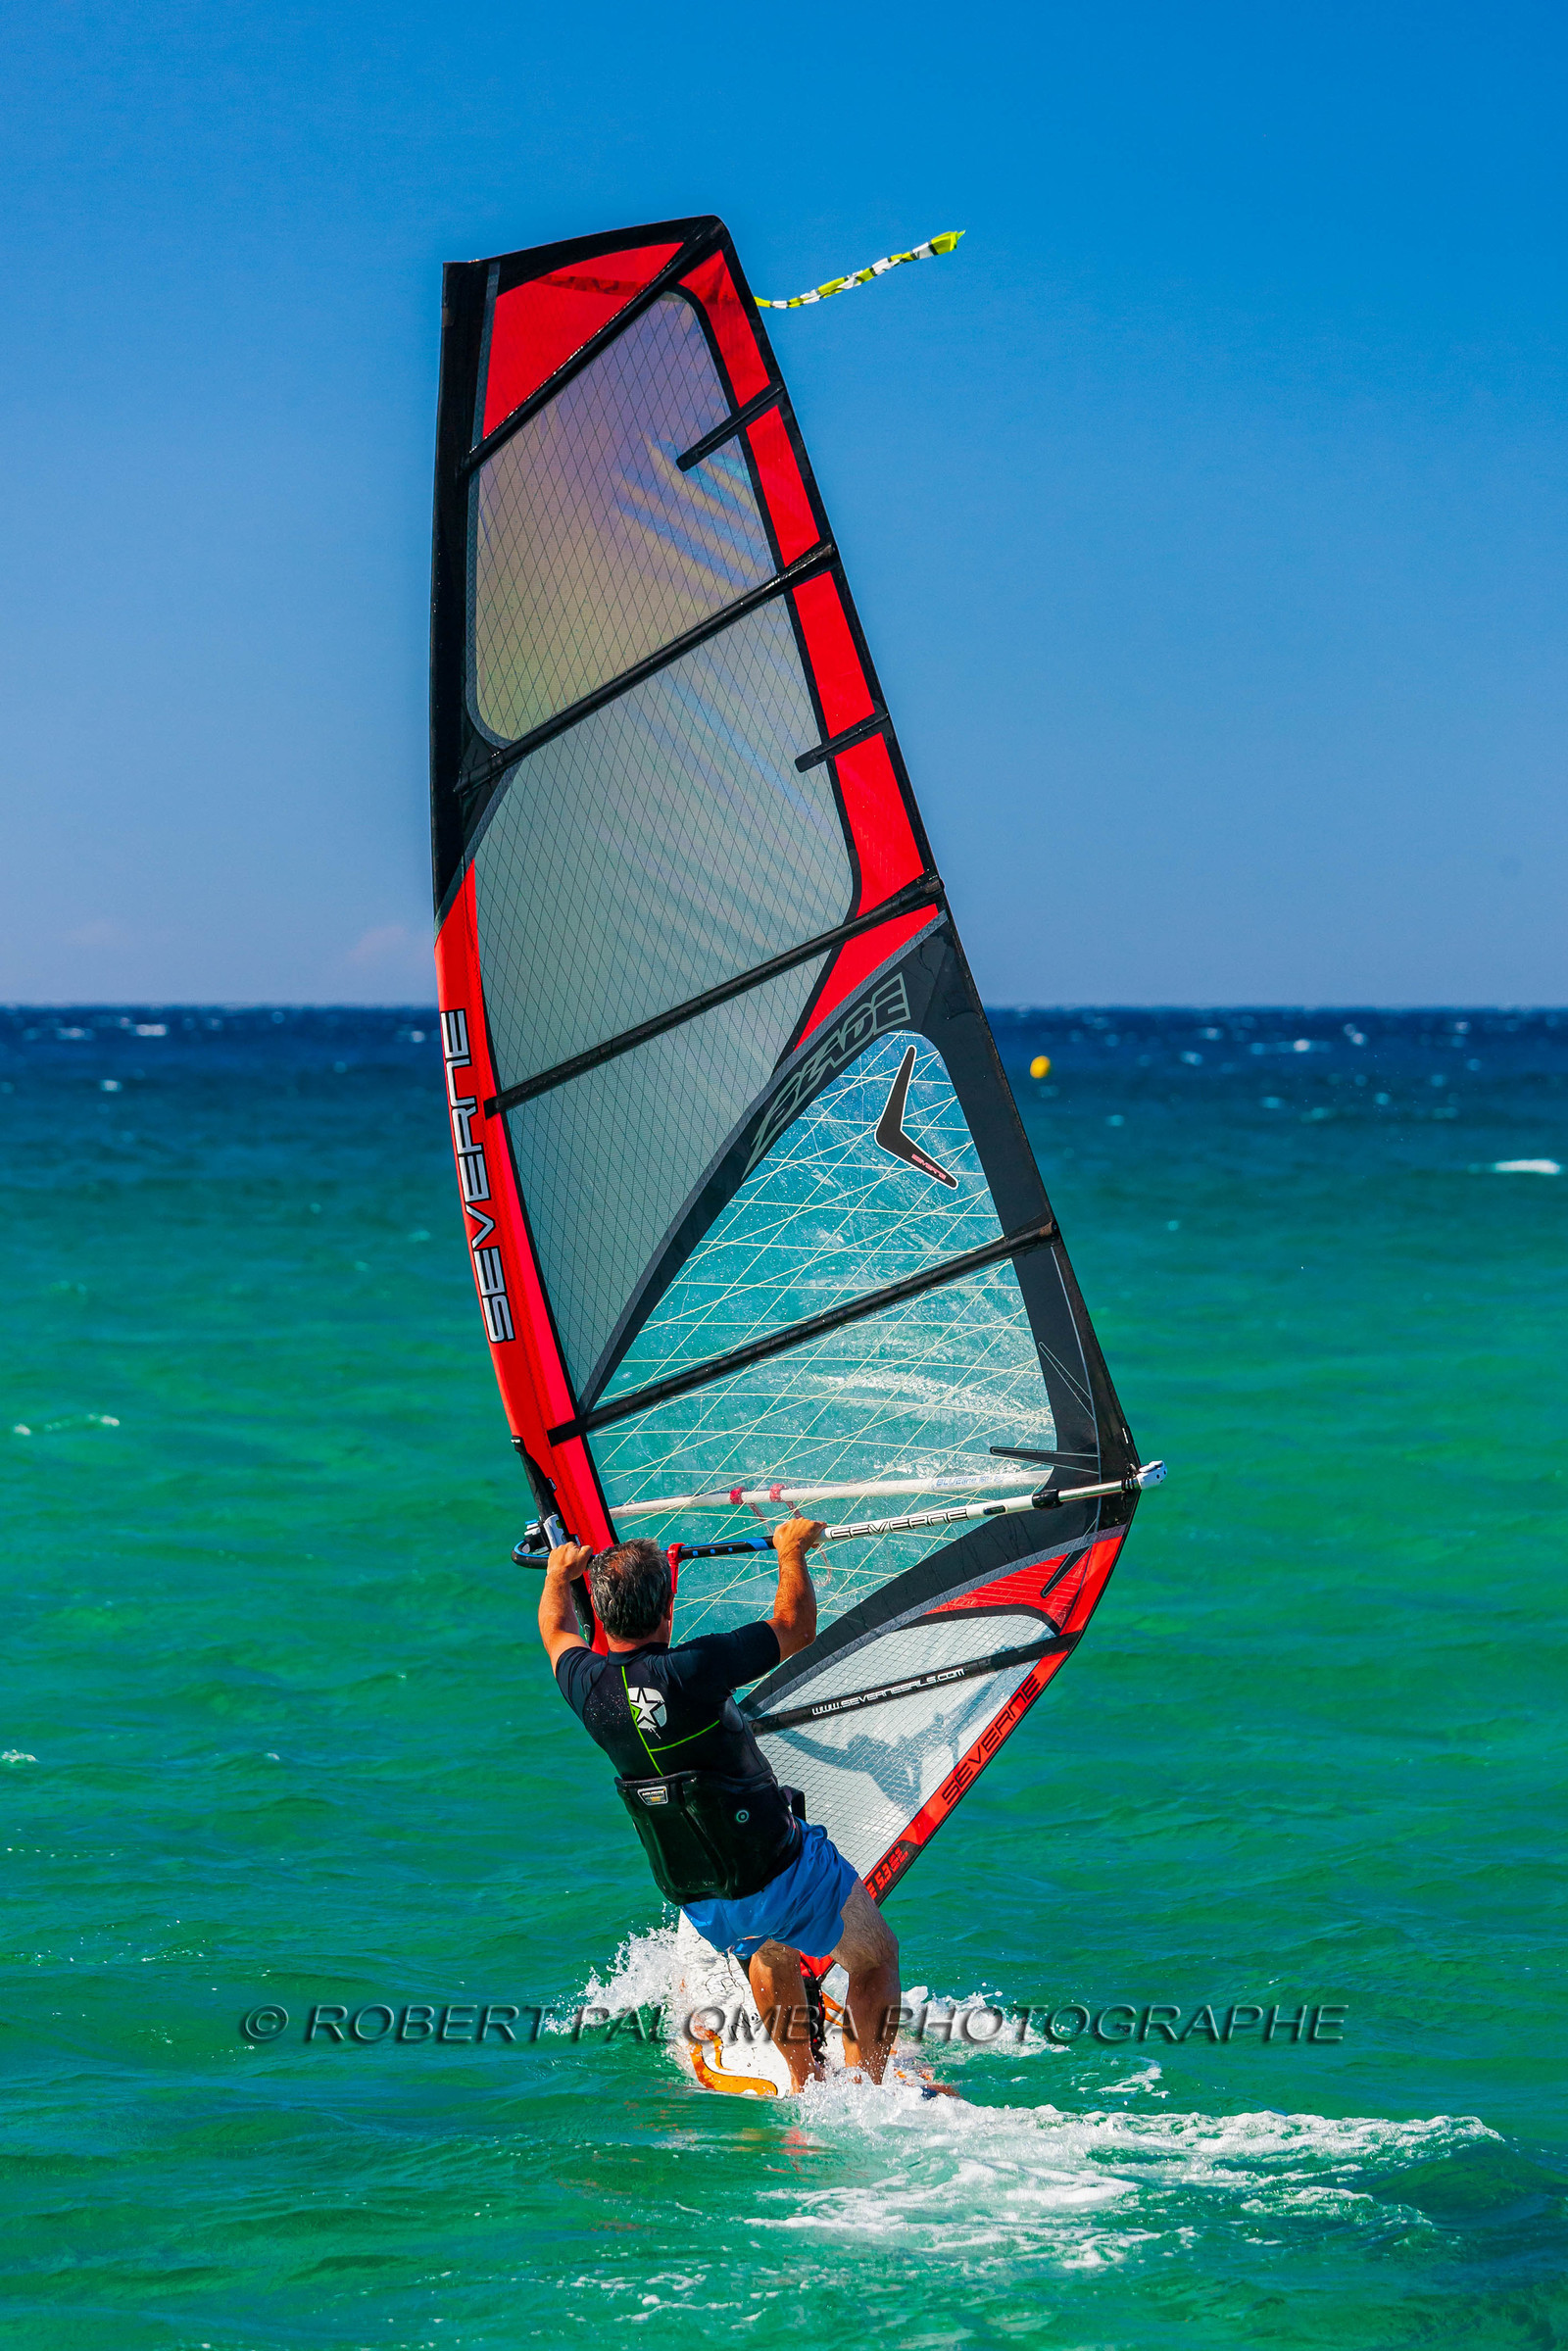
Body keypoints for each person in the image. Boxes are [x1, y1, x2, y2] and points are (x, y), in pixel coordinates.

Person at [538, 1516, 900, 2091]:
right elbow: (795, 1627)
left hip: (704, 1896)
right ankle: (866, 2094)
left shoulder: (587, 1687)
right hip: (775, 1867)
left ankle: (805, 2084)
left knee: (770, 1946)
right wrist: (790, 1551)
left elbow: (556, 1632)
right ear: (668, 1611)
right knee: (876, 1956)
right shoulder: (694, 1669)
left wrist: (558, 1577)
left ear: (601, 1619)